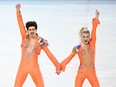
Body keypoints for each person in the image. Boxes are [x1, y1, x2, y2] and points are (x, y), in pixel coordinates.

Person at [14, 4, 60, 87]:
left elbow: (50, 55)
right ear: (27, 30)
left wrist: (58, 66)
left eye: (33, 29)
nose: (31, 31)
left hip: (34, 69)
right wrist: (18, 11)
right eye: (30, 29)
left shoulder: (40, 41)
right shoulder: (24, 36)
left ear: (36, 30)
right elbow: (20, 23)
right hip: (22, 68)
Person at [59, 10, 100, 87]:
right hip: (81, 72)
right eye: (84, 36)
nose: (86, 38)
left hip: (92, 72)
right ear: (81, 37)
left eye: (87, 36)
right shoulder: (77, 48)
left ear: (89, 37)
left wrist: (96, 18)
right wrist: (60, 66)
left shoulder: (92, 44)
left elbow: (94, 30)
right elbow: (69, 58)